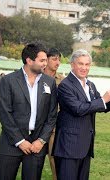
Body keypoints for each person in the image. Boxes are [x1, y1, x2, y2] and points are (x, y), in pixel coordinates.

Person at [0, 43, 58, 180]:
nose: (45, 64)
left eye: (46, 60)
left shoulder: (49, 82)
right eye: (42, 60)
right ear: (29, 61)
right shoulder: (8, 80)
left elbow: (52, 115)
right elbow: (5, 113)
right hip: (11, 143)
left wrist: (41, 141)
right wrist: (19, 140)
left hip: (37, 145)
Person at [52, 49, 110, 180]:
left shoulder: (90, 84)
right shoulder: (65, 85)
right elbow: (78, 109)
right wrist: (103, 99)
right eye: (80, 64)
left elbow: (100, 107)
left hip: (85, 147)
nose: (84, 68)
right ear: (72, 64)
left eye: (87, 64)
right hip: (68, 148)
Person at [44, 48, 65, 180]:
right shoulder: (37, 77)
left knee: (55, 161)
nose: (57, 62)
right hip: (36, 126)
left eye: (59, 59)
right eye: (54, 59)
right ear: (46, 60)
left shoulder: (63, 81)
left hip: (54, 128)